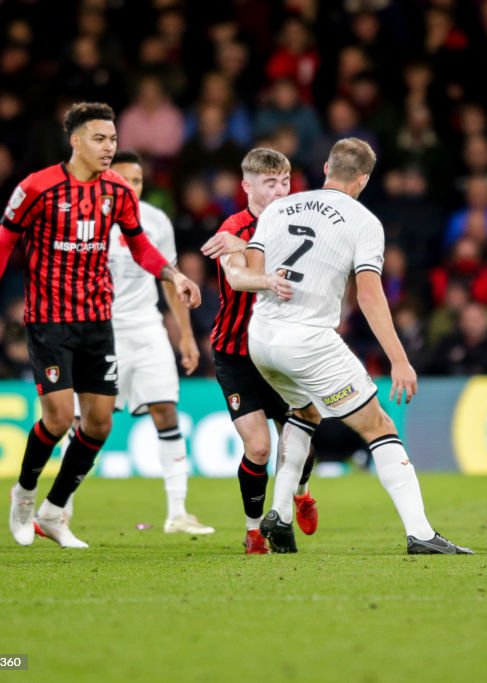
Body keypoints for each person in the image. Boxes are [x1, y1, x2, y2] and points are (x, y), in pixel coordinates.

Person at [0, 102, 201, 549]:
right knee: (56, 418)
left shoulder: (118, 191)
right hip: (50, 319)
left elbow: (140, 247)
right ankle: (24, 494)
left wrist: (174, 275)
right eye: (99, 139)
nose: (109, 147)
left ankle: (54, 511)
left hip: (97, 320)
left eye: (112, 139)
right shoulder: (37, 187)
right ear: (75, 141)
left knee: (98, 425)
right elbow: (1, 245)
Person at [243, 138, 471, 554]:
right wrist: (400, 360)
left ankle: (279, 512)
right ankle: (420, 534)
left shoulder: (278, 207)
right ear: (364, 179)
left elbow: (254, 272)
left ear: (327, 165)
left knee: (304, 411)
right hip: (307, 339)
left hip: (261, 336)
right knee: (379, 426)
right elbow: (368, 295)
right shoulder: (364, 222)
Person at [53, 151, 214, 536]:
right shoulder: (86, 218)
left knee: (166, 411)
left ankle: (178, 512)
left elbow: (170, 280)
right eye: (124, 181)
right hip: (98, 331)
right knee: (84, 422)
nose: (131, 187)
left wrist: (187, 336)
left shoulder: (155, 221)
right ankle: (59, 509)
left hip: (146, 329)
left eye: (138, 181)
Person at [199, 148, 318, 555]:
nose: (281, 191)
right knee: (261, 448)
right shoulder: (233, 227)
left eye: (285, 182)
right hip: (236, 353)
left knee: (298, 442)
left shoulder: (300, 223)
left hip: (282, 350)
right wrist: (267, 279)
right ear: (247, 186)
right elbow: (236, 276)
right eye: (271, 183)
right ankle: (253, 531)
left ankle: (301, 493)